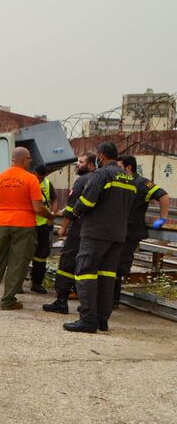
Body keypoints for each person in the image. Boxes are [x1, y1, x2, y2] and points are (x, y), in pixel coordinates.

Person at [64, 141, 136, 333]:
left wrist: (76, 212)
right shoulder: (128, 178)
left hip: (96, 232)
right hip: (118, 234)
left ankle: (88, 320)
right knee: (107, 276)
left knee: (85, 271)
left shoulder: (101, 174)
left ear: (101, 156)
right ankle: (102, 320)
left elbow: (86, 201)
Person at [0, 147, 55, 310]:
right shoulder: (31, 179)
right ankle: (8, 300)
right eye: (29, 159)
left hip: (1, 223)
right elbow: (37, 208)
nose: (30, 161)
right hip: (24, 225)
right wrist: (50, 216)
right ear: (22, 160)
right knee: (18, 262)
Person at [43, 153, 96, 314]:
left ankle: (61, 301)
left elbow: (72, 209)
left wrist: (63, 227)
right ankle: (88, 304)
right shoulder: (100, 180)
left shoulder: (82, 181)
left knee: (67, 263)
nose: (77, 165)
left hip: (78, 230)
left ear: (91, 165)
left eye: (81, 162)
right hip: (94, 231)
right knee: (89, 267)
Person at [114, 155, 169, 306]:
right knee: (110, 262)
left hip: (131, 231)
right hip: (117, 229)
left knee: (119, 265)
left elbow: (163, 195)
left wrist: (162, 217)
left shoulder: (142, 183)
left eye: (119, 167)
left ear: (128, 168)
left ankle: (113, 300)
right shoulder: (120, 181)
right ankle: (110, 299)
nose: (116, 170)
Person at [29, 164, 58, 294]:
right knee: (22, 254)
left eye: (41, 178)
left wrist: (51, 218)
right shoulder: (27, 181)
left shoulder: (47, 183)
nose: (39, 180)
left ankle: (37, 283)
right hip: (27, 224)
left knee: (41, 255)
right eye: (37, 177)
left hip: (42, 225)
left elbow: (54, 200)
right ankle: (16, 284)